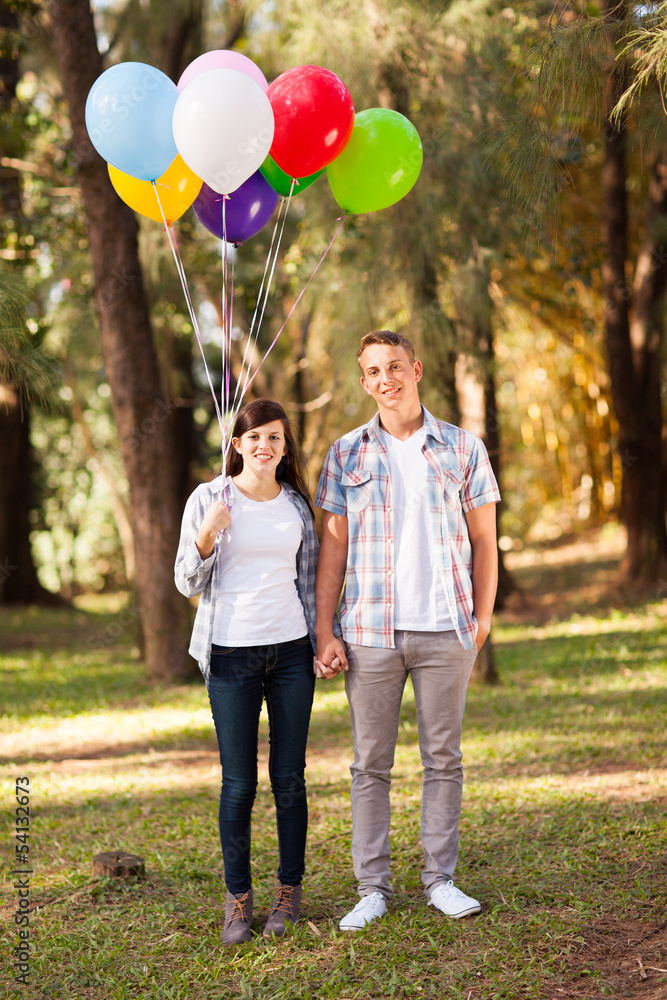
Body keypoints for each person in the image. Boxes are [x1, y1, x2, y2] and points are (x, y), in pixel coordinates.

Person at [314, 331, 500, 931]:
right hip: (370, 632)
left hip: (447, 628)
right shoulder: (345, 454)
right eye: (373, 371)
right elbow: (332, 552)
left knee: (443, 758)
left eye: (395, 366)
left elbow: (484, 543)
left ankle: (440, 880)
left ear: (416, 369)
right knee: (371, 764)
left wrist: (484, 618)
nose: (386, 379)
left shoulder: (463, 448)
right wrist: (325, 630)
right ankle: (372, 888)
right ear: (365, 383)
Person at [174, 398, 324, 946]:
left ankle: (289, 892)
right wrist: (208, 534)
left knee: (289, 778)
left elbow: (307, 584)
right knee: (238, 785)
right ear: (236, 443)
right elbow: (186, 582)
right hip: (230, 656)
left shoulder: (297, 507)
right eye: (255, 436)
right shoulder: (208, 499)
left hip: (289, 654)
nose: (265, 446)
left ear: (286, 449)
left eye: (275, 439)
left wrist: (320, 641)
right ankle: (238, 901)